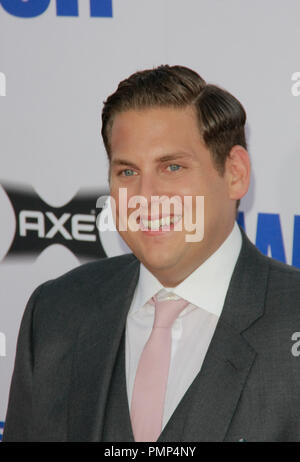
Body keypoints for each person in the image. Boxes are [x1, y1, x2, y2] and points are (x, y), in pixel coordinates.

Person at [3, 65, 300, 442]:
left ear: (235, 173)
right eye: (127, 173)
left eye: (172, 167)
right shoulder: (55, 313)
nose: (146, 197)